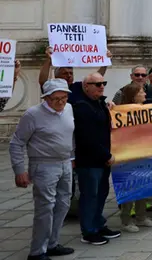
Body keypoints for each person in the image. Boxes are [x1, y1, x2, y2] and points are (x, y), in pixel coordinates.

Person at [10, 79, 75, 260]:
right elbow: (17, 143)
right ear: (46, 98)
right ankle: (37, 251)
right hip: (43, 165)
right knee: (45, 207)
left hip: (65, 162)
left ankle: (52, 243)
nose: (61, 102)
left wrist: (72, 156)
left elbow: (70, 134)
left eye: (64, 97)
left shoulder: (69, 109)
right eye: (56, 99)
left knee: (63, 204)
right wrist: (19, 170)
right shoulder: (33, 114)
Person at [71, 73, 121, 245]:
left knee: (101, 194)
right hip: (89, 160)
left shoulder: (100, 104)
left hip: (102, 159)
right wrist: (106, 155)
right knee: (89, 195)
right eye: (97, 84)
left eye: (103, 83)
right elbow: (87, 137)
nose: (101, 86)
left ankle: (98, 224)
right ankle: (89, 231)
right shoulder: (81, 107)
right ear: (86, 86)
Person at [114, 83, 152, 233]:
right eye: (141, 92)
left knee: (143, 185)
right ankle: (126, 220)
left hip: (145, 153)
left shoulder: (147, 109)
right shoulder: (123, 113)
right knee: (129, 187)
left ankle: (141, 216)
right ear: (133, 95)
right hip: (129, 155)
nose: (145, 94)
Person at [38, 47, 111, 103]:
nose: (69, 76)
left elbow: (96, 78)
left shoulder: (78, 87)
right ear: (56, 75)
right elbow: (43, 82)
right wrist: (49, 60)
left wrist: (105, 62)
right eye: (65, 73)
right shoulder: (52, 87)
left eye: (71, 73)